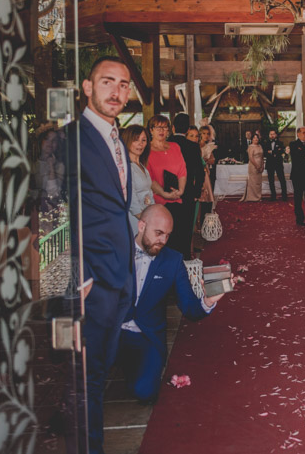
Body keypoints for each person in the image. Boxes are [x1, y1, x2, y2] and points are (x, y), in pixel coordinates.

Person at [68, 56, 135, 454]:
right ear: (87, 87)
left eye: (123, 84)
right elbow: (53, 214)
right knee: (87, 380)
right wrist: (79, 278)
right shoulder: (70, 138)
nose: (116, 91)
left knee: (99, 374)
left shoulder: (115, 137)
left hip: (118, 275)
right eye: (107, 82)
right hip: (91, 281)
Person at [118, 205, 226, 403]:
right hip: (111, 332)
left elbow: (189, 307)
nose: (163, 241)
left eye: (167, 235)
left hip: (146, 336)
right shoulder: (116, 251)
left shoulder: (173, 261)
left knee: (145, 392)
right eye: (158, 233)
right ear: (141, 226)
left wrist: (207, 301)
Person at [146, 115, 186, 254]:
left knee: (178, 238)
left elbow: (182, 170)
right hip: (158, 201)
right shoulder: (146, 150)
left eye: (165, 127)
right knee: (162, 241)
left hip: (177, 198)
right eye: (158, 127)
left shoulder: (175, 147)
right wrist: (164, 194)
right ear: (151, 130)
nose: (162, 130)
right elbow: (148, 177)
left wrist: (181, 190)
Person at [169, 113, 205, 257]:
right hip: (188, 193)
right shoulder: (193, 146)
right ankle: (184, 258)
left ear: (172, 127)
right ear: (186, 131)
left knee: (170, 227)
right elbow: (200, 173)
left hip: (167, 192)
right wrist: (197, 193)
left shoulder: (166, 144)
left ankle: (169, 257)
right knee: (185, 228)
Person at [121, 125, 154, 233]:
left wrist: (154, 215)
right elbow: (131, 198)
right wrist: (145, 218)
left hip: (146, 216)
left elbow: (149, 193)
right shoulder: (126, 167)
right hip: (134, 218)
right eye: (136, 140)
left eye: (143, 140)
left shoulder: (142, 166)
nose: (140, 144)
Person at [289, 126, 305, 225]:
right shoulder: (293, 144)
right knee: (298, 198)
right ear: (298, 134)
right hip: (298, 176)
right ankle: (299, 219)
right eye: (303, 132)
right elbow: (296, 158)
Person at [265, 128, 288, 201]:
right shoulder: (266, 143)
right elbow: (265, 152)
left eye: (273, 134)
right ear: (269, 135)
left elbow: (281, 151)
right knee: (271, 180)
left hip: (278, 163)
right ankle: (273, 195)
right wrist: (275, 152)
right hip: (270, 164)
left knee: (282, 179)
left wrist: (271, 152)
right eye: (270, 134)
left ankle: (284, 195)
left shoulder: (280, 143)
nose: (272, 135)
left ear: (276, 135)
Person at [242, 133, 264, 202]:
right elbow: (250, 157)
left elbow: (262, 156)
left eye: (257, 137)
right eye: (254, 138)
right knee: (253, 181)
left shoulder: (260, 146)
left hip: (260, 165)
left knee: (258, 182)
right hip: (253, 166)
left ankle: (258, 196)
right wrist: (256, 165)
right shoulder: (250, 147)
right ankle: (252, 197)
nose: (256, 139)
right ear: (252, 139)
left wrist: (262, 165)